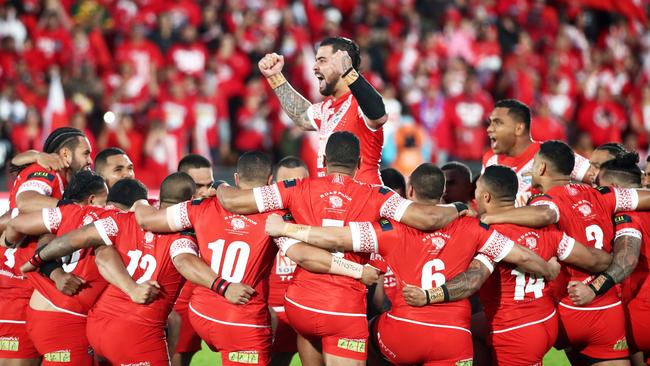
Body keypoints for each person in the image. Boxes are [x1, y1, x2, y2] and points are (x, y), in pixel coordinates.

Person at [209, 132, 467, 365]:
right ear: (358, 163)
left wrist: (218, 185)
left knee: (309, 332)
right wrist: (457, 207)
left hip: (300, 305)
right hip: (343, 308)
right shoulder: (379, 196)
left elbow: (234, 200)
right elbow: (428, 219)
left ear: (323, 159)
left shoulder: (296, 188)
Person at [263, 163, 559, 365]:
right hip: (454, 339)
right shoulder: (474, 228)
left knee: (362, 334)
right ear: (443, 193)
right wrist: (547, 269)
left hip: (402, 331)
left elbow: (335, 236)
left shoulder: (390, 229)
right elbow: (520, 255)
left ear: (411, 193)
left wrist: (288, 229)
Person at [131, 152, 378, 366]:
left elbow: (148, 220)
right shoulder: (275, 218)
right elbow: (304, 256)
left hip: (202, 312)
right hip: (240, 318)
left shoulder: (200, 206)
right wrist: (356, 270)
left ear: (237, 178)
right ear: (270, 182)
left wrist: (140, 201)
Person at [404, 165, 612, 365]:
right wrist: (616, 261)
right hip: (547, 321)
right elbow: (596, 260)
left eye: (477, 191)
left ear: (485, 197)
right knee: (467, 328)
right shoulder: (546, 230)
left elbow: (473, 280)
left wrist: (430, 296)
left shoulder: (489, 236)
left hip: (514, 330)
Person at [481, 140, 650, 365]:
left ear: (541, 168)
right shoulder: (601, 195)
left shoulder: (547, 201)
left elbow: (546, 215)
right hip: (607, 307)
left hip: (569, 306)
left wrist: (490, 218)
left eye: (534, 165)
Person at [20, 176, 196, 365]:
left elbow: (84, 244)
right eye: (120, 168)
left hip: (94, 325)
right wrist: (222, 286)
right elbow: (185, 261)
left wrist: (37, 260)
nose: (128, 172)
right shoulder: (185, 236)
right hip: (128, 331)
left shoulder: (118, 220)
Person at [5, 173, 154, 365]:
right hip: (65, 317)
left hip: (38, 309)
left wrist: (9, 242)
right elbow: (104, 255)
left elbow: (16, 223)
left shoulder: (71, 211)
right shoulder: (121, 222)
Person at [0, 127, 92, 365]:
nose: (90, 160)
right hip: (16, 290)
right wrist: (73, 209)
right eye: (85, 153)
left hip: (25, 287)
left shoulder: (54, 175)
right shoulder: (46, 172)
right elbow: (26, 202)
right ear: (66, 155)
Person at [259, 37, 387, 185]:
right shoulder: (328, 107)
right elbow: (301, 116)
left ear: (343, 63)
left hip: (364, 204)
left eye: (322, 60)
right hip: (335, 202)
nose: (314, 67)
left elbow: (379, 115)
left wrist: (349, 72)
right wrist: (275, 76)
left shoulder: (359, 103)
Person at [567, 154, 650, 366]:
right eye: (645, 175)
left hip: (640, 316)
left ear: (613, 188)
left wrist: (593, 289)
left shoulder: (629, 215)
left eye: (599, 187)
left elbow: (626, 260)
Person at [482, 99, 590, 206]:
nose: (489, 129)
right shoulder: (490, 159)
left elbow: (597, 176)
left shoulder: (553, 153)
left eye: (498, 123)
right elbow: (483, 203)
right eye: (490, 123)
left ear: (519, 128)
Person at [172, 153, 216, 366]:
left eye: (209, 184)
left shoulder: (216, 207)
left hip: (211, 295)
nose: (205, 192)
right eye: (199, 185)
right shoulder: (165, 216)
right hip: (178, 303)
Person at [269, 156, 309, 366]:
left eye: (300, 183)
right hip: (268, 314)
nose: (292, 190)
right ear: (272, 185)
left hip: (306, 312)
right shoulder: (259, 217)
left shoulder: (320, 218)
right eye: (286, 184)